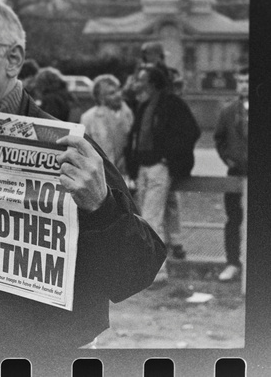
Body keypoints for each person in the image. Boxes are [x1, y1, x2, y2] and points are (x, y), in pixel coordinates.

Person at [0, 0, 166, 351]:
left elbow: (136, 273)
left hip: (52, 357)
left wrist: (102, 207)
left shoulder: (74, 149)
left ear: (13, 60)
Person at [126, 66, 201, 283]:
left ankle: (156, 272)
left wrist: (169, 158)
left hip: (159, 166)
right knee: (165, 209)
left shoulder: (172, 104)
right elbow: (136, 137)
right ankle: (174, 249)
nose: (137, 83)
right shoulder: (145, 105)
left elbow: (191, 131)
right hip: (144, 166)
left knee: (150, 217)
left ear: (152, 83)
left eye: (141, 79)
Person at [214, 66, 249, 282]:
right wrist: (228, 158)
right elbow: (219, 139)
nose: (244, 85)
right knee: (233, 219)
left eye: (248, 81)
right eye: (241, 81)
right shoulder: (228, 111)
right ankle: (233, 263)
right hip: (235, 173)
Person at [80, 74, 134, 177]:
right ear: (101, 98)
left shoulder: (129, 113)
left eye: (118, 90)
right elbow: (83, 150)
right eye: (112, 93)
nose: (118, 95)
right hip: (100, 174)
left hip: (125, 174)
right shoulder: (88, 118)